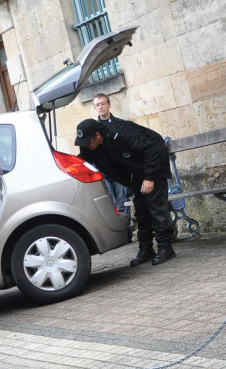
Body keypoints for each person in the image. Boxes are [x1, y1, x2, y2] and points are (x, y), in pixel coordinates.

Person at [75, 117, 175, 266]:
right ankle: (146, 249)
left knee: (156, 206)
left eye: (88, 142)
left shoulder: (122, 132)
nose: (86, 146)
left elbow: (152, 148)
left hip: (154, 165)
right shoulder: (90, 146)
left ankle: (166, 247)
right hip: (138, 170)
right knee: (141, 210)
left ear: (97, 135)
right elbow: (82, 161)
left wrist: (150, 178)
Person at [92, 94, 132, 238]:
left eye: (103, 103)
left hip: (119, 172)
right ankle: (118, 235)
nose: (100, 107)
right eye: (97, 105)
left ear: (109, 105)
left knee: (121, 203)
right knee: (110, 205)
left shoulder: (119, 124)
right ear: (95, 108)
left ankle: (126, 234)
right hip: (103, 173)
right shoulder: (93, 128)